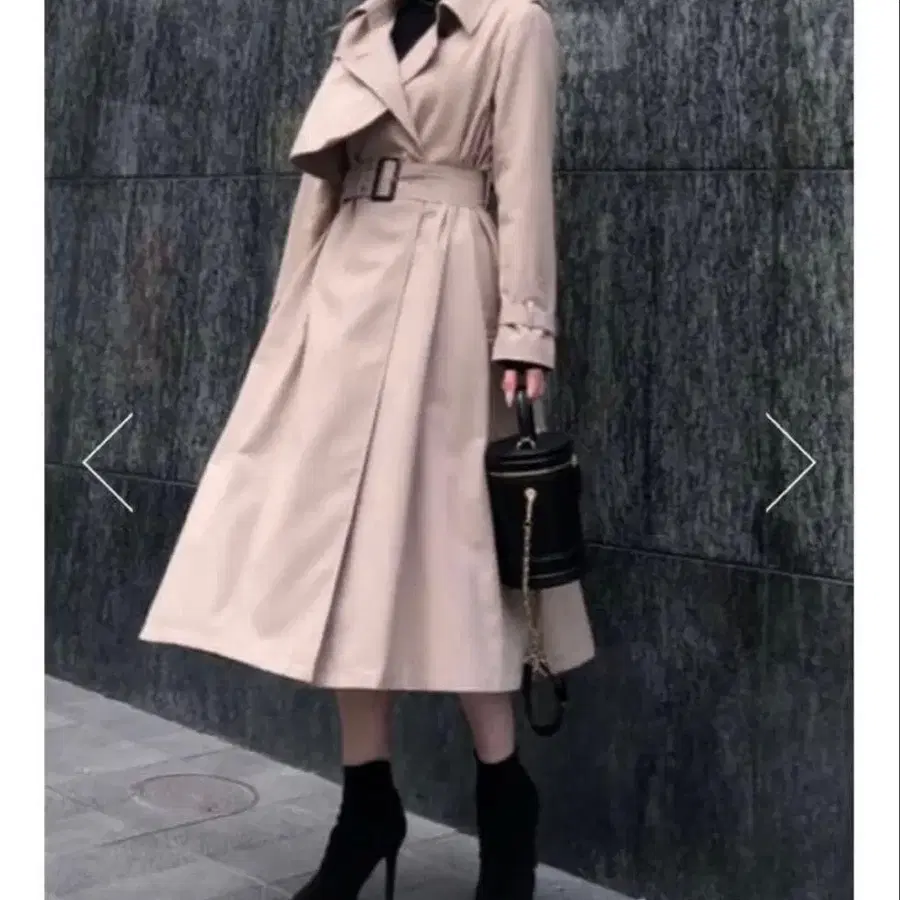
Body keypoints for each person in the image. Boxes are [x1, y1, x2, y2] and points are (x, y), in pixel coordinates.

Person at [139, 0, 595, 897]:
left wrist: (526, 330)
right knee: (340, 560)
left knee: (462, 555)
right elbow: (323, 186)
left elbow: (524, 178)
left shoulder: (511, 23)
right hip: (345, 292)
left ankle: (506, 802)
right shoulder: (363, 29)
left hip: (450, 293)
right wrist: (293, 315)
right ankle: (367, 807)